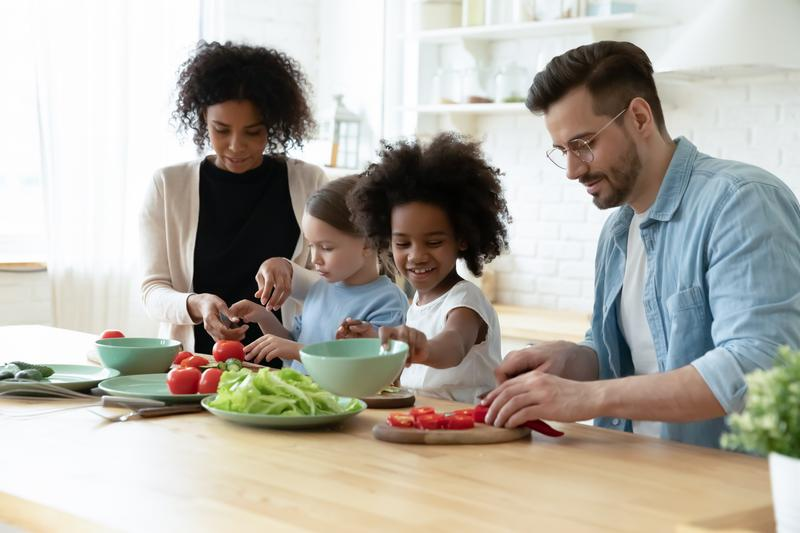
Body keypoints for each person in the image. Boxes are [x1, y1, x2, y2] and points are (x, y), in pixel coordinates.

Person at [482, 41, 800, 448]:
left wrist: (585, 397)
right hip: (636, 472)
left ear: (638, 117)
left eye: (583, 145)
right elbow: (626, 352)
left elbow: (754, 368)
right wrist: (573, 362)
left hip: (726, 490)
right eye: (563, 151)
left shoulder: (740, 201)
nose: (572, 170)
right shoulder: (618, 231)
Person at [140, 41, 326, 364]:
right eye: (221, 130)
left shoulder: (310, 183)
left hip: (288, 374)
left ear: (273, 125)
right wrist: (195, 304)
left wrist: (292, 273)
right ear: (202, 119)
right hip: (195, 369)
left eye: (253, 132)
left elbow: (338, 286)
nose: (236, 146)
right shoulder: (168, 186)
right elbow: (152, 291)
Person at [341, 132, 511, 403]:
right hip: (422, 418)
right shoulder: (418, 302)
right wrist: (377, 338)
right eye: (402, 243)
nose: (416, 256)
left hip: (466, 427)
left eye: (433, 242)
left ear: (463, 238)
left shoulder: (465, 301)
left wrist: (422, 348)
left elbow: (453, 344)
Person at [227, 176, 409, 369]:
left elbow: (370, 368)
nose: (314, 259)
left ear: (367, 243)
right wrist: (263, 316)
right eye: (311, 246)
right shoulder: (319, 288)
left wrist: (295, 349)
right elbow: (293, 353)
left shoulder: (387, 301)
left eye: (326, 247)